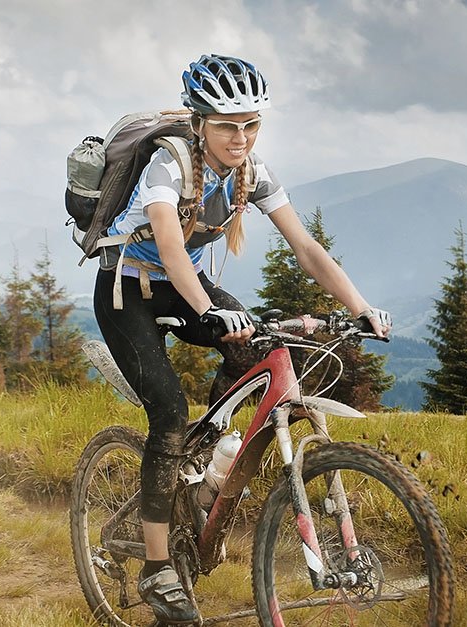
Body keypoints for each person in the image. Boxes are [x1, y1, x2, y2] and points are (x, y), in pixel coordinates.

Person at [93, 53, 392, 625]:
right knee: (168, 412)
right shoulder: (167, 165)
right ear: (199, 122)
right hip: (128, 289)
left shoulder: (253, 171)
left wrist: (359, 308)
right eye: (228, 125)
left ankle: (210, 459)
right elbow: (173, 251)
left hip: (187, 287)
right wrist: (209, 310)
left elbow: (306, 249)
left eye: (252, 124)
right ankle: (157, 568)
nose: (241, 137)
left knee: (261, 352)